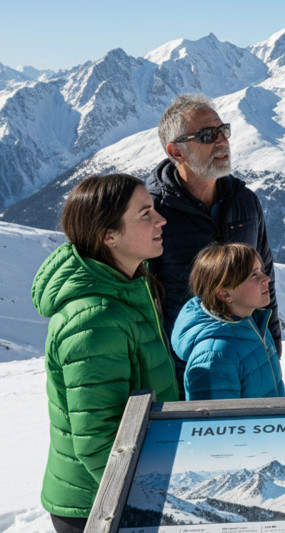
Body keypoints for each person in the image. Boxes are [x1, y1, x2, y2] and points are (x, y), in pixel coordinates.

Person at [31, 174, 179, 532]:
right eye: (145, 214)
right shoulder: (96, 320)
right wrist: (155, 504)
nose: (160, 220)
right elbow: (99, 440)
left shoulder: (127, 290)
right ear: (108, 236)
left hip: (123, 493)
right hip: (100, 509)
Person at [146, 94, 281, 399]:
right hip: (185, 373)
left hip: (252, 363)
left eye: (224, 131)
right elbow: (144, 300)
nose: (222, 141)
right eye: (208, 135)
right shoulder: (153, 211)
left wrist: (271, 349)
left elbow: (267, 277)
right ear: (176, 151)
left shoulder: (244, 200)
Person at [171, 243, 285, 400]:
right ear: (224, 294)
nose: (266, 279)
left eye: (261, 271)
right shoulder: (215, 355)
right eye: (254, 275)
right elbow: (214, 422)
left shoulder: (254, 325)